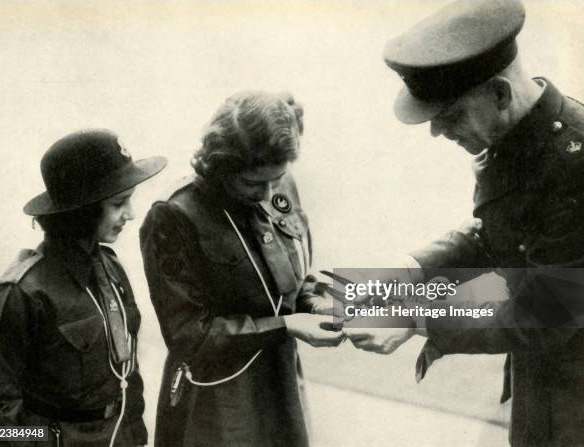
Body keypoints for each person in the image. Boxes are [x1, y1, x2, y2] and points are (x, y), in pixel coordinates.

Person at [340, 0, 584, 446]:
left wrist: (418, 317)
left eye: (450, 116)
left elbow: (550, 302)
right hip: (547, 386)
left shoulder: (576, 159)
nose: (437, 133)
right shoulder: (519, 134)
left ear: (500, 93)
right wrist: (409, 275)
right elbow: (499, 244)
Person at [140, 91, 343, 447]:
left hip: (280, 384)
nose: (267, 195)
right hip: (216, 398)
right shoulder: (175, 215)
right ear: (219, 166)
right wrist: (285, 326)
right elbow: (189, 334)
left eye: (276, 180)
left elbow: (291, 279)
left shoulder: (280, 183)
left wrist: (314, 303)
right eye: (252, 184)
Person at [0, 130, 166, 446]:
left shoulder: (111, 268)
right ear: (83, 209)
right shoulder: (21, 294)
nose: (130, 214)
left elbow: (126, 376)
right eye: (119, 203)